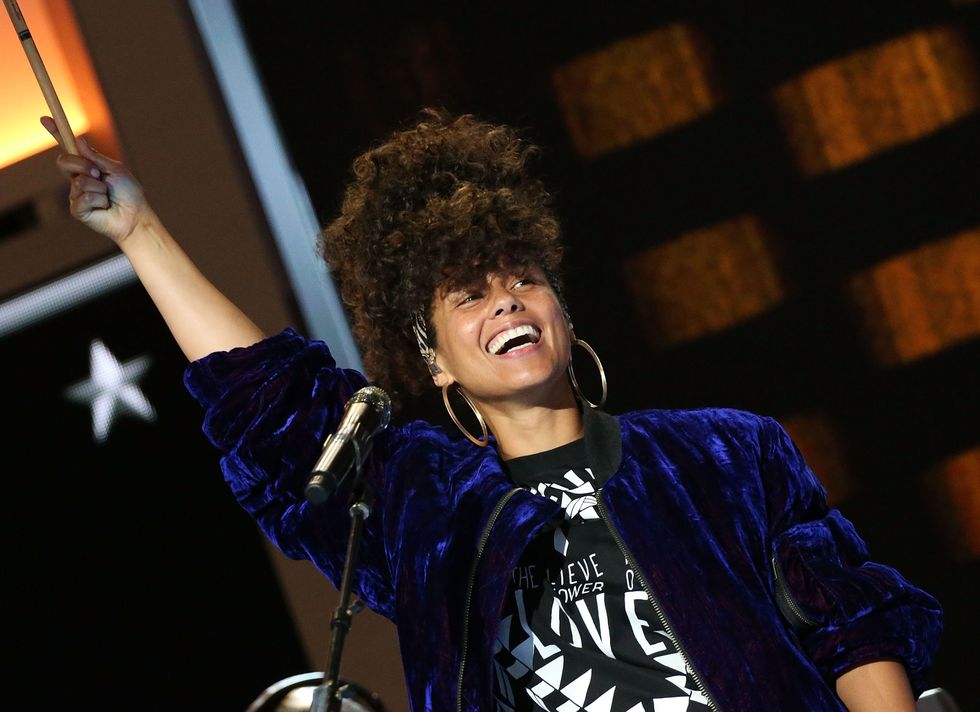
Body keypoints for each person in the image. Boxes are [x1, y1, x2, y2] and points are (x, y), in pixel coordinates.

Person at [43, 107, 942, 712]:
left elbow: (849, 625)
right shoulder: (420, 503)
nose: (508, 302)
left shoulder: (725, 452)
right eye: (470, 296)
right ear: (431, 358)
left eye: (524, 281)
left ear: (563, 310)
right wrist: (138, 232)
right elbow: (266, 398)